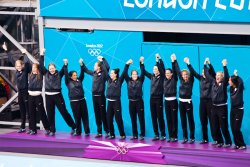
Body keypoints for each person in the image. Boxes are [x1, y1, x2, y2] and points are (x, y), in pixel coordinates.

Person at [39, 49, 76, 136]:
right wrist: (42, 55)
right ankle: (52, 130)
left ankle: (74, 126)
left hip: (57, 96)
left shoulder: (59, 74)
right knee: (50, 114)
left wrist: (66, 63)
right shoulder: (45, 73)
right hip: (48, 96)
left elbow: (64, 68)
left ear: (55, 68)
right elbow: (41, 65)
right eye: (50, 68)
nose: (51, 70)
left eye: (53, 68)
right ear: (48, 69)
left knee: (64, 112)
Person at [2, 42, 31, 133]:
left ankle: (31, 127)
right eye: (17, 66)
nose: (18, 67)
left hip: (26, 92)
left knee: (28, 111)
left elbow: (27, 62)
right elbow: (11, 59)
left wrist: (24, 53)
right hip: (20, 92)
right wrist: (6, 50)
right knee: (22, 111)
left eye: (19, 66)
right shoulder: (17, 71)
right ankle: (22, 127)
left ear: (22, 66)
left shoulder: (25, 70)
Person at [187, 57, 216, 144]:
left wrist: (208, 64)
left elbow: (213, 72)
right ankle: (205, 139)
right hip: (202, 102)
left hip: (210, 102)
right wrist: (188, 64)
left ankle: (216, 139)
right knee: (203, 121)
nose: (203, 73)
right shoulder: (200, 78)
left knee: (212, 122)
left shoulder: (212, 80)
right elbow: (193, 72)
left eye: (205, 72)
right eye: (202, 72)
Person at [204, 59, 232, 148]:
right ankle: (219, 141)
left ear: (222, 77)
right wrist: (205, 65)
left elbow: (227, 76)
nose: (218, 77)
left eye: (220, 75)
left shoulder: (224, 84)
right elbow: (208, 75)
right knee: (215, 126)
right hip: (214, 107)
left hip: (222, 107)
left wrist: (224, 66)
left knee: (223, 126)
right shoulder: (212, 82)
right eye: (217, 75)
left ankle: (228, 142)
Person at [81, 56, 109, 138]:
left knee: (103, 114)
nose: (94, 66)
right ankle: (99, 132)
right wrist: (82, 64)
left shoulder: (104, 74)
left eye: (95, 65)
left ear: (99, 67)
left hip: (101, 96)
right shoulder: (94, 73)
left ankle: (107, 131)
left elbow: (107, 67)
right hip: (94, 97)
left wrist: (103, 59)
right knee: (97, 115)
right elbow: (86, 70)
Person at [64, 58, 90, 136]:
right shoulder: (68, 82)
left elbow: (82, 73)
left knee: (85, 116)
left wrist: (81, 64)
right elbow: (65, 74)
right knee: (77, 117)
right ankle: (78, 131)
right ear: (71, 76)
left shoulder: (79, 80)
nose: (76, 76)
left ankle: (87, 131)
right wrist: (66, 65)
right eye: (74, 75)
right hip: (74, 102)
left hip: (82, 100)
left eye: (76, 75)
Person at [173, 55, 195, 144]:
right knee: (183, 120)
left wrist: (188, 63)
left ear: (188, 76)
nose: (185, 76)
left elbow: (192, 72)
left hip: (188, 103)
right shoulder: (181, 80)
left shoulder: (191, 80)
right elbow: (177, 70)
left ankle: (192, 137)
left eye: (186, 74)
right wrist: (175, 60)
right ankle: (185, 137)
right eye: (183, 75)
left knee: (190, 119)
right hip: (181, 102)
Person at [145, 54, 166, 141]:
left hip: (159, 99)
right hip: (152, 99)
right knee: (154, 117)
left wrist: (158, 60)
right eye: (153, 69)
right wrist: (141, 63)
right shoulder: (152, 76)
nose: (154, 70)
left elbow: (162, 69)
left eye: (156, 69)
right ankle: (156, 134)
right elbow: (144, 72)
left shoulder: (162, 77)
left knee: (160, 117)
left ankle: (163, 135)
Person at [105, 60, 128, 140]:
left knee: (118, 119)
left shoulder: (119, 80)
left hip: (116, 102)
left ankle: (122, 135)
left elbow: (124, 73)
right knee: (109, 119)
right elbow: (105, 70)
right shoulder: (108, 80)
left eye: (112, 73)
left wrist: (127, 64)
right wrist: (103, 60)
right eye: (110, 73)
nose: (110, 74)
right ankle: (112, 134)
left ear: (115, 74)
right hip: (109, 102)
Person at [124, 57, 145, 140]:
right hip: (131, 103)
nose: (134, 75)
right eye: (133, 74)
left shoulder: (140, 80)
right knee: (133, 119)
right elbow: (124, 73)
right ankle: (135, 135)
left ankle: (142, 134)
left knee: (141, 119)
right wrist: (127, 64)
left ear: (137, 75)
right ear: (131, 75)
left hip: (139, 102)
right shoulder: (128, 81)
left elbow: (143, 72)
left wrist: (141, 63)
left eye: (136, 74)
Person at [28, 62, 51, 135]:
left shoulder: (40, 75)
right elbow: (26, 63)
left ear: (38, 69)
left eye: (35, 67)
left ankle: (47, 128)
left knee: (42, 113)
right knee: (31, 113)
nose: (33, 69)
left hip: (38, 97)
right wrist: (24, 54)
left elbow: (41, 66)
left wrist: (41, 55)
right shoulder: (30, 75)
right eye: (33, 67)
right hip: (30, 96)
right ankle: (33, 129)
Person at [229, 70, 246, 150]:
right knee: (233, 128)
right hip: (233, 110)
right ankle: (237, 144)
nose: (229, 81)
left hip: (239, 110)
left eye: (230, 80)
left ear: (233, 81)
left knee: (236, 128)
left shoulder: (239, 88)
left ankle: (242, 144)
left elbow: (241, 82)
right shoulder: (231, 89)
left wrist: (237, 76)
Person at [163, 54, 178, 142]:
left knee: (174, 118)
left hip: (173, 101)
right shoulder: (164, 79)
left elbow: (176, 71)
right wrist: (158, 60)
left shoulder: (174, 79)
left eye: (168, 73)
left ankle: (175, 136)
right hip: (166, 101)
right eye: (166, 73)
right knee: (168, 119)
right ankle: (170, 136)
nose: (167, 74)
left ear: (171, 74)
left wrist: (173, 61)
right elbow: (161, 69)